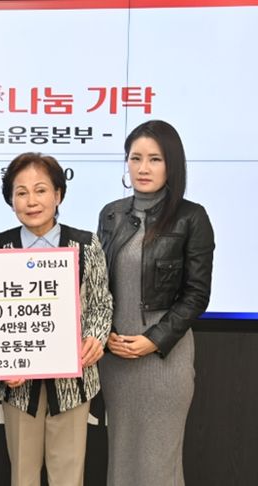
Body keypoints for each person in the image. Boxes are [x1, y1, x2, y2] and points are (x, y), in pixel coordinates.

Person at [97, 120, 215, 486]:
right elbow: (98, 285)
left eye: (155, 159)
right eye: (135, 158)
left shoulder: (192, 217)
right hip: (117, 358)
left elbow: (196, 294)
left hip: (165, 358)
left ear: (171, 165)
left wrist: (153, 340)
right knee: (121, 459)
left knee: (158, 465)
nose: (143, 168)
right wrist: (106, 334)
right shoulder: (112, 214)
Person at [0, 153, 112, 486]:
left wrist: (95, 338)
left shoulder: (85, 244)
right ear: (10, 200)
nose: (32, 201)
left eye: (41, 190)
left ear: (58, 195)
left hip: (73, 383)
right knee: (22, 476)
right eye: (21, 192)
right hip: (18, 386)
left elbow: (101, 304)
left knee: (68, 477)